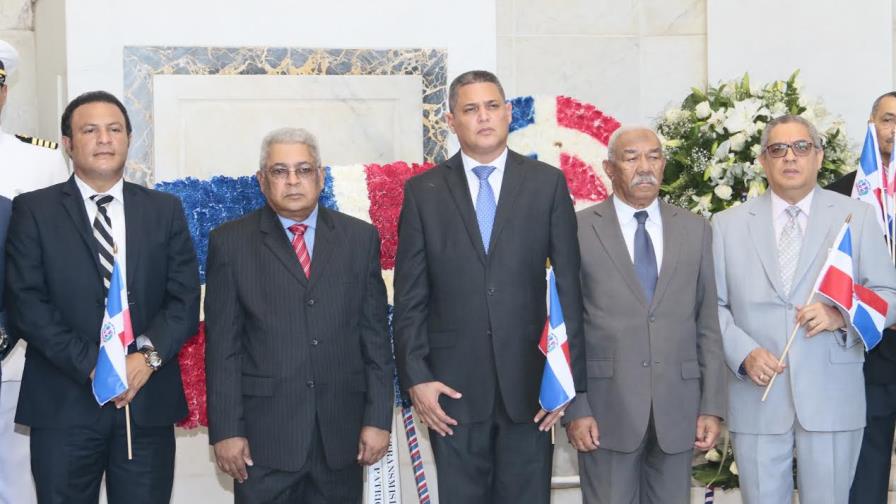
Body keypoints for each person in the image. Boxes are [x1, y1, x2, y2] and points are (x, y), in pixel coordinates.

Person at [393, 70, 585, 504]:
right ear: (450, 120)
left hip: (532, 391)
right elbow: (409, 298)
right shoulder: (424, 192)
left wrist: (569, 382)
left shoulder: (546, 183)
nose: (483, 117)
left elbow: (570, 288)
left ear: (509, 113)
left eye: (492, 106)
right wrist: (417, 379)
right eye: (470, 109)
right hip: (451, 394)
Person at [4, 90, 200, 504]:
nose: (104, 139)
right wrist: (98, 367)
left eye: (114, 129)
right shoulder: (33, 211)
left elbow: (183, 300)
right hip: (64, 406)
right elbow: (26, 304)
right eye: (89, 130)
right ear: (69, 144)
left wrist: (143, 360)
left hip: (144, 405)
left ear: (129, 138)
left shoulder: (164, 209)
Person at [713, 114, 896, 504]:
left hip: (833, 397)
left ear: (819, 156)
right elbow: (712, 306)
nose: (790, 158)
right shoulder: (725, 225)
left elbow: (888, 295)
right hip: (757, 393)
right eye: (778, 149)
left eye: (801, 147)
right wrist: (742, 353)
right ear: (763, 161)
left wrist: (840, 315)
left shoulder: (857, 217)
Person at [205, 127, 394, 503]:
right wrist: (226, 430)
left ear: (321, 177)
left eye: (304, 170)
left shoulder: (359, 239)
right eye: (279, 171)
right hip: (262, 443)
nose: (293, 181)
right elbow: (223, 346)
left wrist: (377, 419)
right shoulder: (230, 243)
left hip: (341, 438)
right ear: (262, 181)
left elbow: (375, 338)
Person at [565, 126, 725, 504]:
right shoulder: (578, 229)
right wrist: (577, 405)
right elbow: (566, 326)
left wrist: (712, 406)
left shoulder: (695, 229)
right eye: (631, 157)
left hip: (679, 410)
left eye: (654, 156)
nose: (645, 167)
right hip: (604, 411)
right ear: (608, 167)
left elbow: (707, 323)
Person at [0, 38, 69, 504]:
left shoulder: (38, 160)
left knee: (17, 481)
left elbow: (61, 260)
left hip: (17, 357)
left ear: (4, 92)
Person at [827, 91, 896, 504]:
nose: (895, 129)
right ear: (871, 123)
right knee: (866, 473)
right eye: (887, 119)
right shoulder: (838, 195)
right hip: (868, 354)